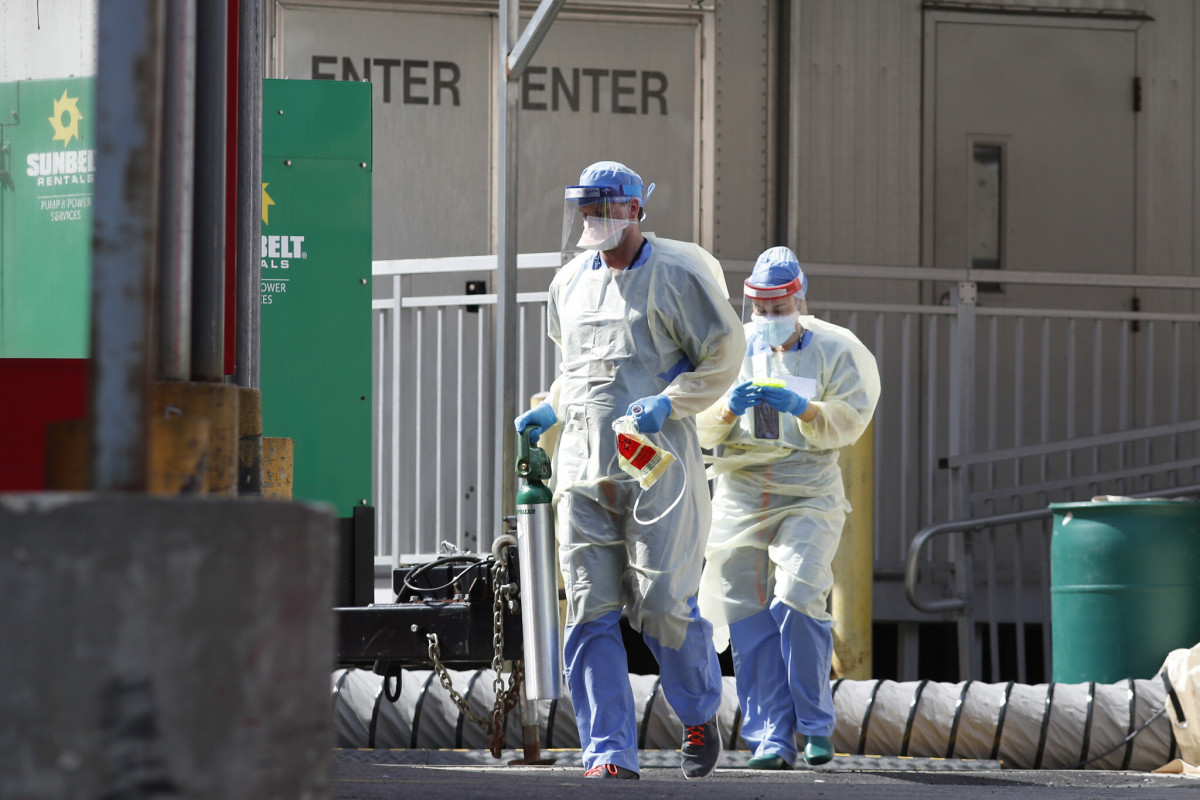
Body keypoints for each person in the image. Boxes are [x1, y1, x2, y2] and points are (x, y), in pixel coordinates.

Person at [515, 161, 745, 780]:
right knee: (588, 608)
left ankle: (697, 712)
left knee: (665, 602)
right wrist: (551, 407)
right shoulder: (568, 283)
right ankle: (608, 751)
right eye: (587, 209)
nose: (595, 220)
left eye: (607, 207)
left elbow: (724, 354)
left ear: (636, 209)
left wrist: (673, 401)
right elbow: (578, 369)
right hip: (583, 468)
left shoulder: (677, 275)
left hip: (655, 468)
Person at [696, 246, 880, 769]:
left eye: (779, 308)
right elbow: (696, 420)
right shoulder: (733, 349)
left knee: (798, 597)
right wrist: (728, 408)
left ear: (800, 299)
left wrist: (807, 409)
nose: (769, 319)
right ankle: (771, 736)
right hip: (742, 491)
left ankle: (815, 724)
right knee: (747, 613)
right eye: (761, 310)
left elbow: (853, 415)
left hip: (808, 490)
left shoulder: (838, 349)